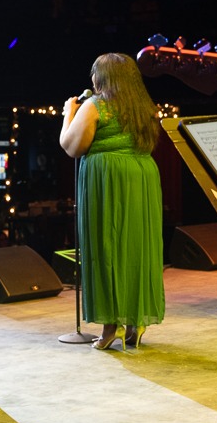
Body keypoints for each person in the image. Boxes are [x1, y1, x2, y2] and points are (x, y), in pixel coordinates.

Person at [59, 52, 165, 350]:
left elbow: (71, 146)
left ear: (101, 78)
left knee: (106, 245)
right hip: (142, 176)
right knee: (137, 247)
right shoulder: (145, 107)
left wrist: (69, 111)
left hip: (108, 178)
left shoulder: (95, 106)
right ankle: (136, 323)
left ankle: (110, 326)